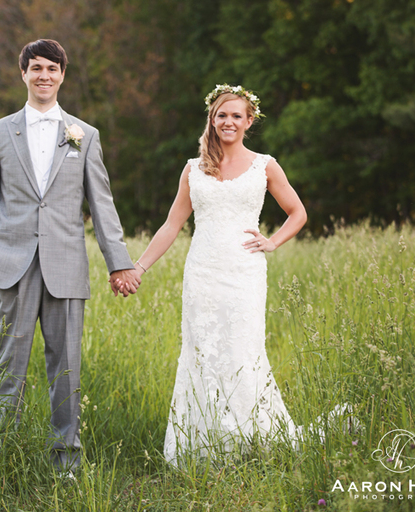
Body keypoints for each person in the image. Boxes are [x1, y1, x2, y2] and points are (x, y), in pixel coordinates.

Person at [0, 39, 142, 471]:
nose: (44, 75)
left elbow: (102, 204)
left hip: (66, 267)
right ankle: (0, 457)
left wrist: (118, 261)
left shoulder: (86, 135)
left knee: (67, 371)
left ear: (63, 74)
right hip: (12, 265)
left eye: (52, 68)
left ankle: (66, 460)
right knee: (8, 367)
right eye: (36, 68)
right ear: (23, 73)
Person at [125, 84, 307, 463]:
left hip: (245, 272)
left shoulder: (265, 165)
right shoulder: (193, 169)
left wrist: (273, 242)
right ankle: (202, 445)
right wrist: (139, 266)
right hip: (202, 273)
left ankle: (250, 439)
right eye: (222, 115)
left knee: (243, 349)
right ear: (212, 118)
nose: (228, 121)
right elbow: (172, 225)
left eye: (236, 115)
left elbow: (298, 212)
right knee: (202, 353)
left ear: (249, 121)